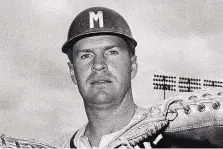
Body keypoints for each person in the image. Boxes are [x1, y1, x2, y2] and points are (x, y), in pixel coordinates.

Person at [57, 6, 155, 148]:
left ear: (133, 65)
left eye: (111, 52)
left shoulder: (177, 140)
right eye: (86, 55)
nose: (98, 64)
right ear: (73, 72)